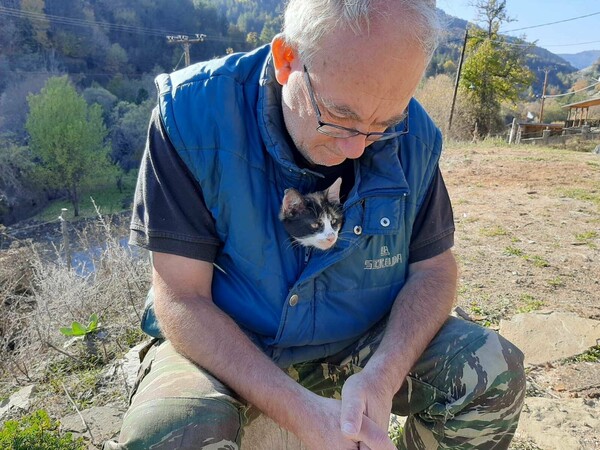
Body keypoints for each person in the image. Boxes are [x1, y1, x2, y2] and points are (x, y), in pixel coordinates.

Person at [104, 1, 526, 449]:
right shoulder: (191, 116)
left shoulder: (415, 136)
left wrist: (382, 376)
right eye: (339, 117)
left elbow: (434, 268)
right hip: (232, 342)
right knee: (166, 434)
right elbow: (181, 296)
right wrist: (300, 412)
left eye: (384, 125)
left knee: (492, 372)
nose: (358, 148)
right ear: (288, 59)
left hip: (361, 337)